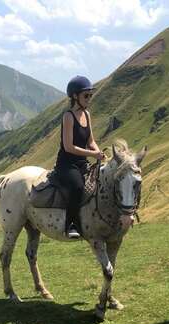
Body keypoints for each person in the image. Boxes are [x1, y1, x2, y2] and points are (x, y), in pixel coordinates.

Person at [55, 76, 105, 239]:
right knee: (77, 187)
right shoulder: (68, 116)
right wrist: (92, 154)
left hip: (82, 162)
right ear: (75, 96)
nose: (89, 99)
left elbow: (90, 140)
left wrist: (99, 153)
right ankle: (71, 225)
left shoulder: (87, 115)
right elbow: (69, 147)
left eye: (90, 95)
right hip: (66, 165)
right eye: (86, 95)